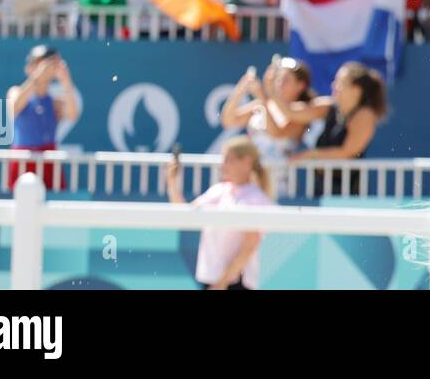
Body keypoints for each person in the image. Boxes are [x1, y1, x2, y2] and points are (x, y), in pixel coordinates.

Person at [166, 136, 275, 290]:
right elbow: (186, 214)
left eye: (228, 160)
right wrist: (172, 181)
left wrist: (222, 282)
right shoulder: (220, 191)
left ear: (247, 162)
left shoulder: (255, 199)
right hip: (214, 280)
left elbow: (249, 244)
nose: (222, 166)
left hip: (235, 283)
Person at [289, 62, 389, 196]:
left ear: (356, 90)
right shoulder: (330, 107)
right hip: (320, 188)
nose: (334, 86)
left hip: (346, 194)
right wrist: (268, 92)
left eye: (340, 82)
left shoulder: (365, 115)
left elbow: (346, 153)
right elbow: (291, 112)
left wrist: (310, 155)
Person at [220, 56, 317, 169]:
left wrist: (262, 97)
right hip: (253, 175)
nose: (279, 83)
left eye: (285, 80)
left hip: (281, 180)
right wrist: (241, 88)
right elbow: (228, 121)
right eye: (278, 79)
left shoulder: (302, 111)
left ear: (301, 85)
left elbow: (276, 133)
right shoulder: (262, 103)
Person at [6, 45, 81, 190]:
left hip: (48, 162)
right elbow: (14, 107)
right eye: (40, 63)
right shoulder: (15, 92)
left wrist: (66, 81)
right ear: (29, 67)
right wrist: (37, 76)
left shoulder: (54, 102)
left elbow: (72, 115)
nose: (45, 67)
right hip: (23, 162)